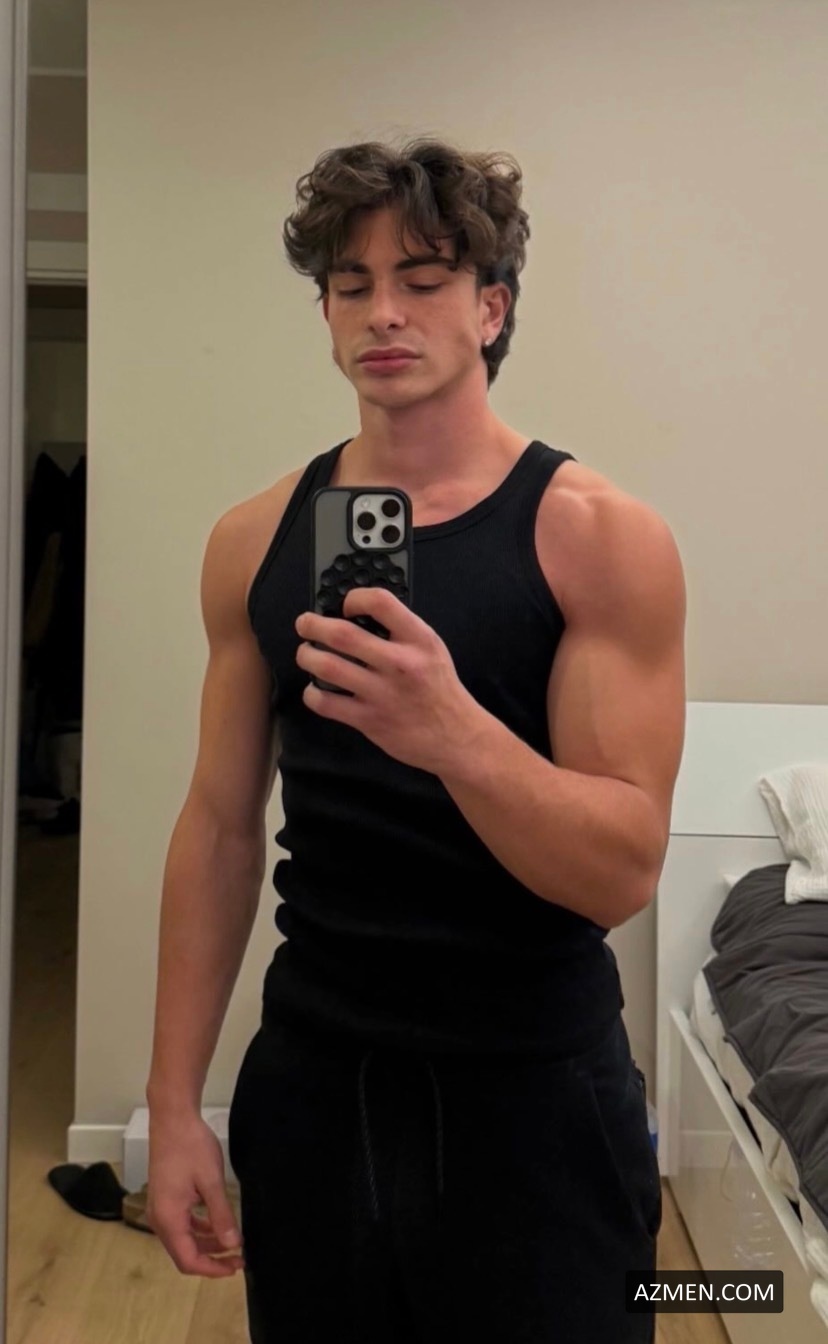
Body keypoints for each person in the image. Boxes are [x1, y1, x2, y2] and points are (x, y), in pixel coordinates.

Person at [145, 137, 686, 1343]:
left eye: (426, 279)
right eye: (353, 284)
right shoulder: (253, 539)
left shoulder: (598, 536)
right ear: (327, 316)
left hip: (535, 1093)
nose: (384, 311)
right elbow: (222, 829)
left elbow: (621, 870)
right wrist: (173, 1105)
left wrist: (454, 735)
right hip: (317, 1082)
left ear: (491, 308)